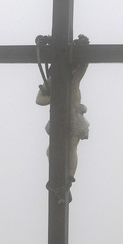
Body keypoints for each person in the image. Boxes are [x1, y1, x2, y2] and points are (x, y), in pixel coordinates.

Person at [35, 35, 91, 179]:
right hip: (58, 115)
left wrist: (84, 47)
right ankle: (60, 176)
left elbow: (84, 65)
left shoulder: (74, 78)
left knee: (72, 147)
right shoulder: (52, 82)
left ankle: (70, 176)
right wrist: (54, 97)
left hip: (72, 114)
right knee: (52, 151)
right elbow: (39, 100)